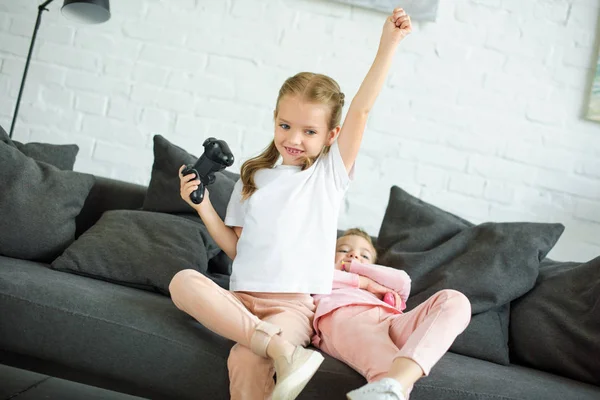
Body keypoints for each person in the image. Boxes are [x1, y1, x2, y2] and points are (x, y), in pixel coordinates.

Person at [168, 7, 413, 400]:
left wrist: (389, 44)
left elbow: (362, 108)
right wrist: (200, 206)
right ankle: (282, 350)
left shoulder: (328, 177)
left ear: (332, 135)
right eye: (285, 125)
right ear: (274, 120)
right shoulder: (254, 177)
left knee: (245, 361)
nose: (293, 138)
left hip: (291, 307)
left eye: (309, 131)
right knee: (182, 282)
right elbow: (235, 247)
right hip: (242, 298)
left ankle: (276, 346)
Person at [312, 228, 472, 400]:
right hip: (346, 316)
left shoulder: (380, 282)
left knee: (454, 300)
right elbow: (313, 277)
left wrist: (357, 268)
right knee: (389, 368)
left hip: (391, 319)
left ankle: (393, 385)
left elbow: (402, 281)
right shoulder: (322, 273)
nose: (353, 255)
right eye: (343, 250)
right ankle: (391, 385)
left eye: (364, 255)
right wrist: (362, 281)